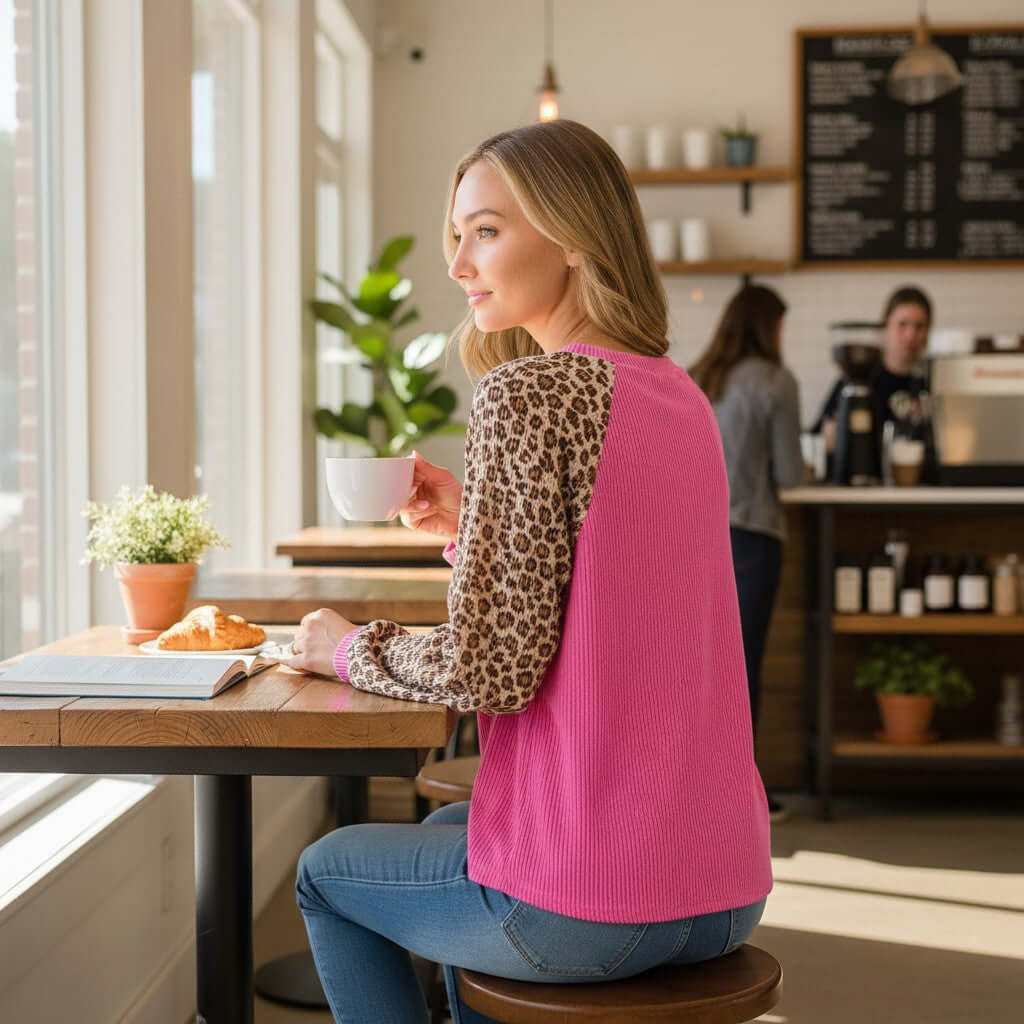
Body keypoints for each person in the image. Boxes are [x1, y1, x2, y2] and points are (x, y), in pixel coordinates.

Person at [284, 120, 771, 1024]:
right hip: (724, 885)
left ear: (573, 235)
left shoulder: (530, 392)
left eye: (487, 231)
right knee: (444, 833)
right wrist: (475, 519)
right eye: (457, 236)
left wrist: (349, 652)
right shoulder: (678, 395)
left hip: (593, 903)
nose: (461, 264)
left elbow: (492, 667)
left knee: (323, 874)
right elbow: (612, 584)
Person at [689, 285, 804, 824]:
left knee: (696, 667)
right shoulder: (777, 383)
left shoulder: (695, 377)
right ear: (769, 327)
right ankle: (740, 800)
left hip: (691, 539)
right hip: (753, 538)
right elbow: (789, 473)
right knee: (743, 665)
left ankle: (698, 795)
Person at [813, 285, 933, 449]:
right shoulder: (858, 378)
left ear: (927, 332)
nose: (910, 335)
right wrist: (829, 437)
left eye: (919, 326)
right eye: (902, 324)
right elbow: (816, 435)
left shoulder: (932, 380)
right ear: (886, 326)